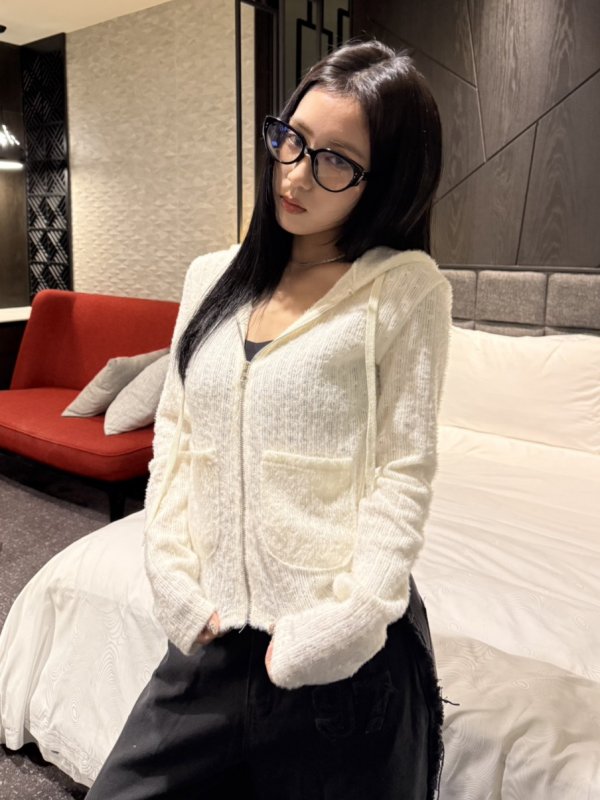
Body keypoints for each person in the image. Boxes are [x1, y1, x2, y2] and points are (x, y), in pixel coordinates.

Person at [85, 37, 452, 800]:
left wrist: (345, 625)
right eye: (292, 139)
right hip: (212, 636)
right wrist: (171, 575)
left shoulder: (403, 291)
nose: (295, 174)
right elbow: (177, 435)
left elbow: (404, 471)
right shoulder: (210, 278)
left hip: (340, 658)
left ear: (386, 180)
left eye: (336, 161)